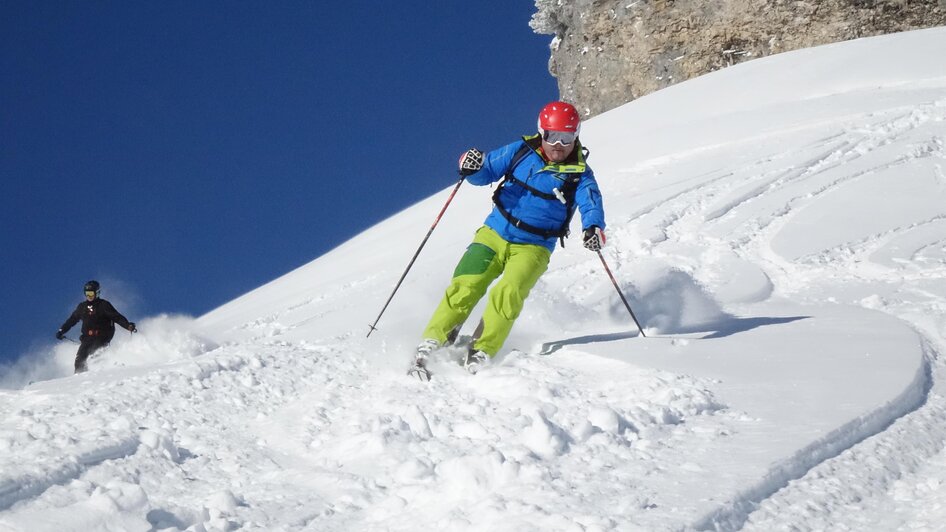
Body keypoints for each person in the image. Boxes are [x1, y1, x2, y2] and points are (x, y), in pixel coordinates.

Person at [410, 101, 607, 379]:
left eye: (567, 138)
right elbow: (484, 173)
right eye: (552, 136)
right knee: (467, 284)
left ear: (576, 137)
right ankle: (434, 339)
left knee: (510, 291)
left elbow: (591, 204)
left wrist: (593, 228)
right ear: (542, 133)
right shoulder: (520, 151)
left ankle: (482, 349)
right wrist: (471, 166)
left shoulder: (580, 175)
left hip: (534, 246)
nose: (559, 145)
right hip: (494, 233)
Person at [56, 280, 137, 373]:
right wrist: (61, 331)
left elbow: (117, 317)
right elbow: (71, 320)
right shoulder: (82, 307)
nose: (89, 296)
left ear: (97, 293)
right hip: (87, 338)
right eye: (87, 294)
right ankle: (80, 380)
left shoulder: (103, 305)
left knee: (95, 358)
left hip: (102, 338)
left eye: (91, 294)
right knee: (79, 360)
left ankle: (100, 378)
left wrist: (128, 325)